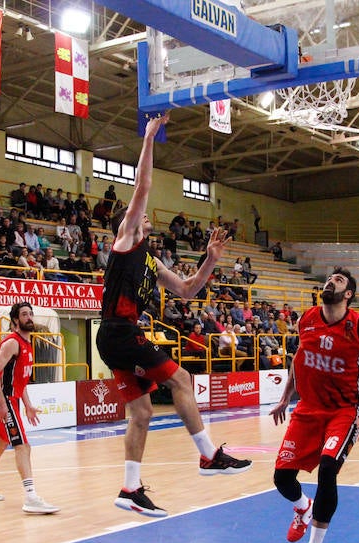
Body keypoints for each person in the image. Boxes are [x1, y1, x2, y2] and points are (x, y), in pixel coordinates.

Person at [96, 114, 251, 518]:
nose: (146, 217)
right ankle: (208, 455)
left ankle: (130, 489)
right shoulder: (127, 240)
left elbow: (187, 289)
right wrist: (149, 137)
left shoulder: (149, 259)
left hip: (117, 337)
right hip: (118, 331)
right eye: (140, 215)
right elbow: (142, 187)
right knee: (181, 378)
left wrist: (210, 261)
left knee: (142, 412)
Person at [269, 267, 359, 543]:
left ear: (348, 294)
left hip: (343, 410)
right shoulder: (307, 319)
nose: (331, 281)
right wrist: (285, 396)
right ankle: (302, 507)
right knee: (281, 478)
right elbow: (299, 356)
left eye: (338, 281)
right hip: (308, 408)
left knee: (328, 469)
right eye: (329, 278)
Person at [0, 302, 60, 514]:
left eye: (31, 313)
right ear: (15, 321)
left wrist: (28, 405)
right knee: (23, 446)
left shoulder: (28, 343)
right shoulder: (12, 343)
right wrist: (2, 403)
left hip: (11, 399)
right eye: (24, 314)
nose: (29, 317)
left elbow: (21, 381)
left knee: (1, 444)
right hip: (3, 399)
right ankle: (31, 498)